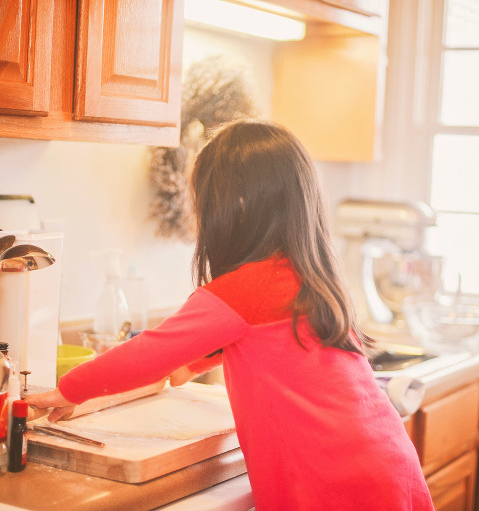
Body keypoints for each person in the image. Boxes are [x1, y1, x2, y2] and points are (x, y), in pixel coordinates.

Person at [27, 119, 434, 511]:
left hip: (333, 484)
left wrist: (70, 389)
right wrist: (195, 361)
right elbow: (270, 342)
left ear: (234, 207)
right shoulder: (310, 274)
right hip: (387, 464)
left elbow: (149, 353)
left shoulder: (243, 288)